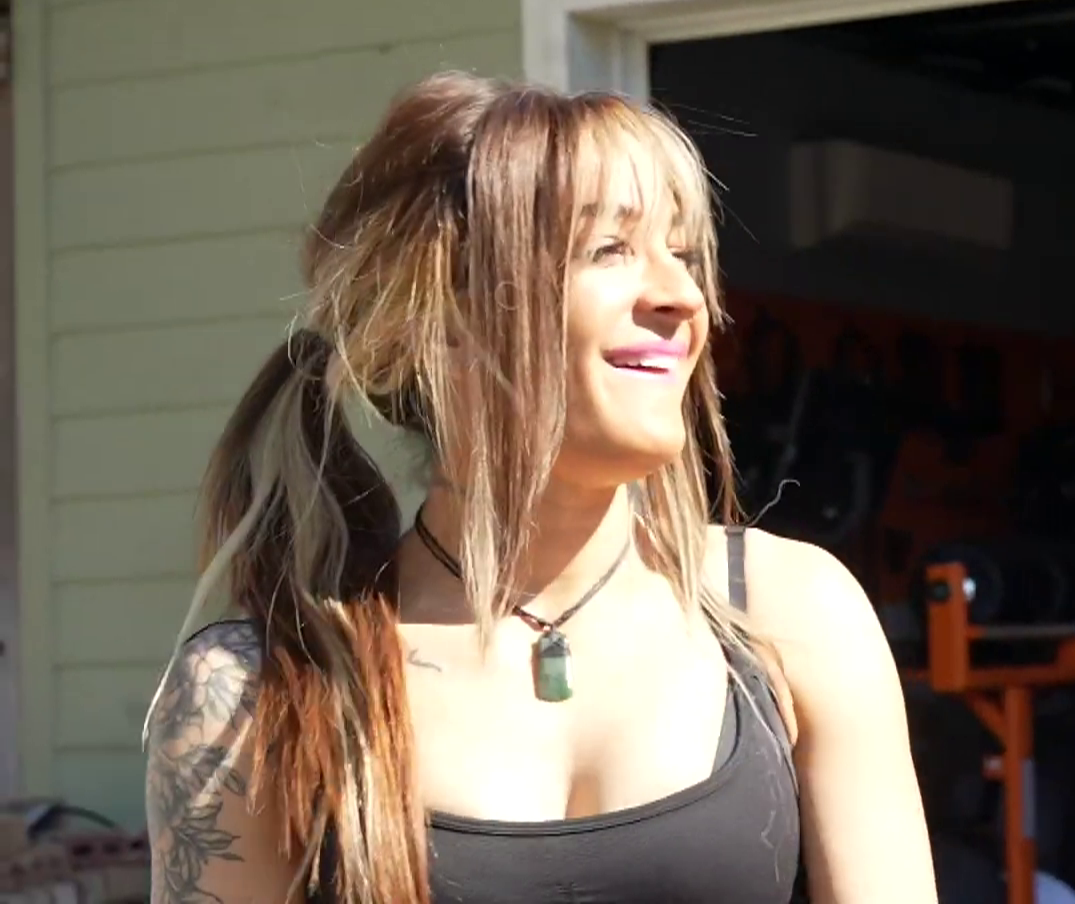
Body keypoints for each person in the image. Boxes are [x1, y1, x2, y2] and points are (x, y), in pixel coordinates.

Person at [140, 73, 940, 904]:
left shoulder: (792, 613)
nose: (683, 297)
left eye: (681, 252)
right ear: (446, 317)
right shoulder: (255, 689)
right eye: (610, 249)